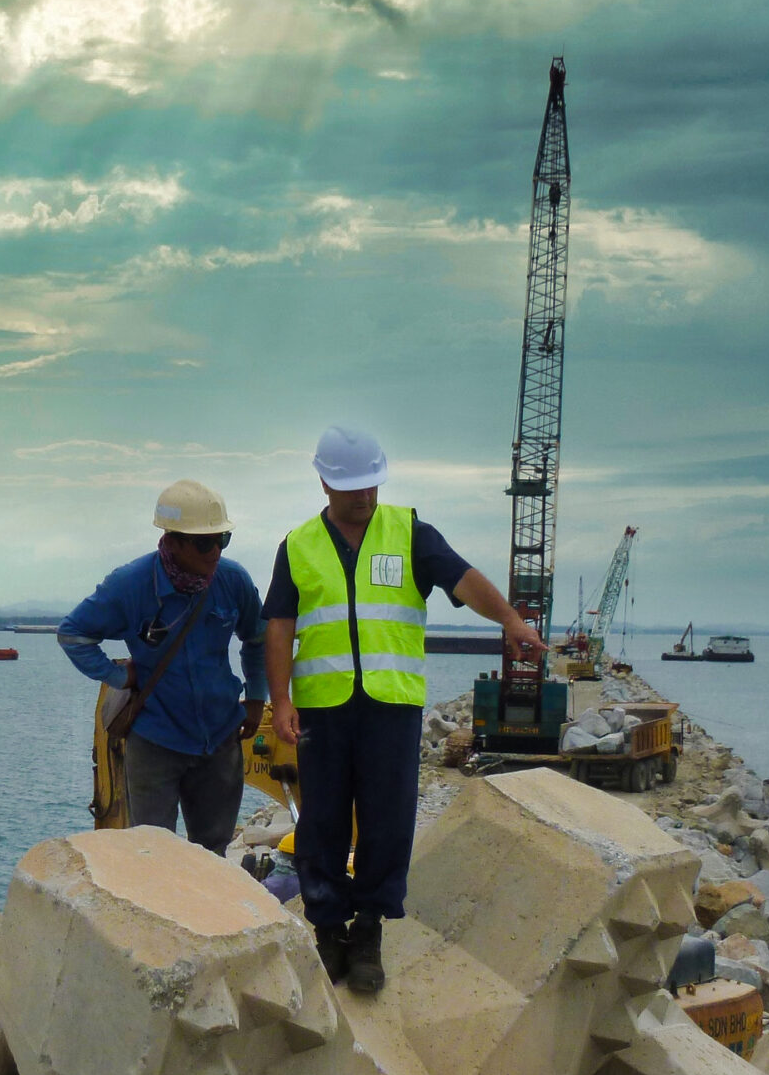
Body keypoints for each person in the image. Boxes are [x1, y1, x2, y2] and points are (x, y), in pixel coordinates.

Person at [263, 426, 545, 993]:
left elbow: (463, 581)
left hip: (391, 706)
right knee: (322, 822)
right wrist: (281, 699)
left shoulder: (411, 533)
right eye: (351, 488)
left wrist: (510, 619)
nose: (364, 497)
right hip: (322, 708)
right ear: (324, 482)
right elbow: (280, 625)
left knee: (388, 820)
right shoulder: (297, 545)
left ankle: (368, 929)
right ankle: (326, 927)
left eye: (371, 485)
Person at [59, 479, 267, 856]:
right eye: (205, 543)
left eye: (222, 540)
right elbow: (73, 635)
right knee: (154, 856)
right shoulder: (129, 586)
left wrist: (256, 698)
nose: (215, 552)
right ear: (172, 542)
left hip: (219, 739)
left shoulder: (232, 580)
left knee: (214, 854)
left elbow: (258, 638)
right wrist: (119, 677)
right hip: (156, 740)